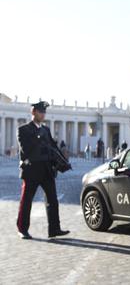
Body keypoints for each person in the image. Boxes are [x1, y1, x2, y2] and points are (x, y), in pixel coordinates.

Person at [16, 101, 70, 239]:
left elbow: (53, 147)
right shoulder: (23, 129)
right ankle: (22, 229)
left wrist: (63, 162)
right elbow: (26, 149)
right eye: (40, 112)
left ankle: (54, 229)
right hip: (31, 170)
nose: (43, 114)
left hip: (46, 170)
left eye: (44, 112)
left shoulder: (46, 129)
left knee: (53, 200)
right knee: (26, 201)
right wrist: (39, 137)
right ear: (33, 112)